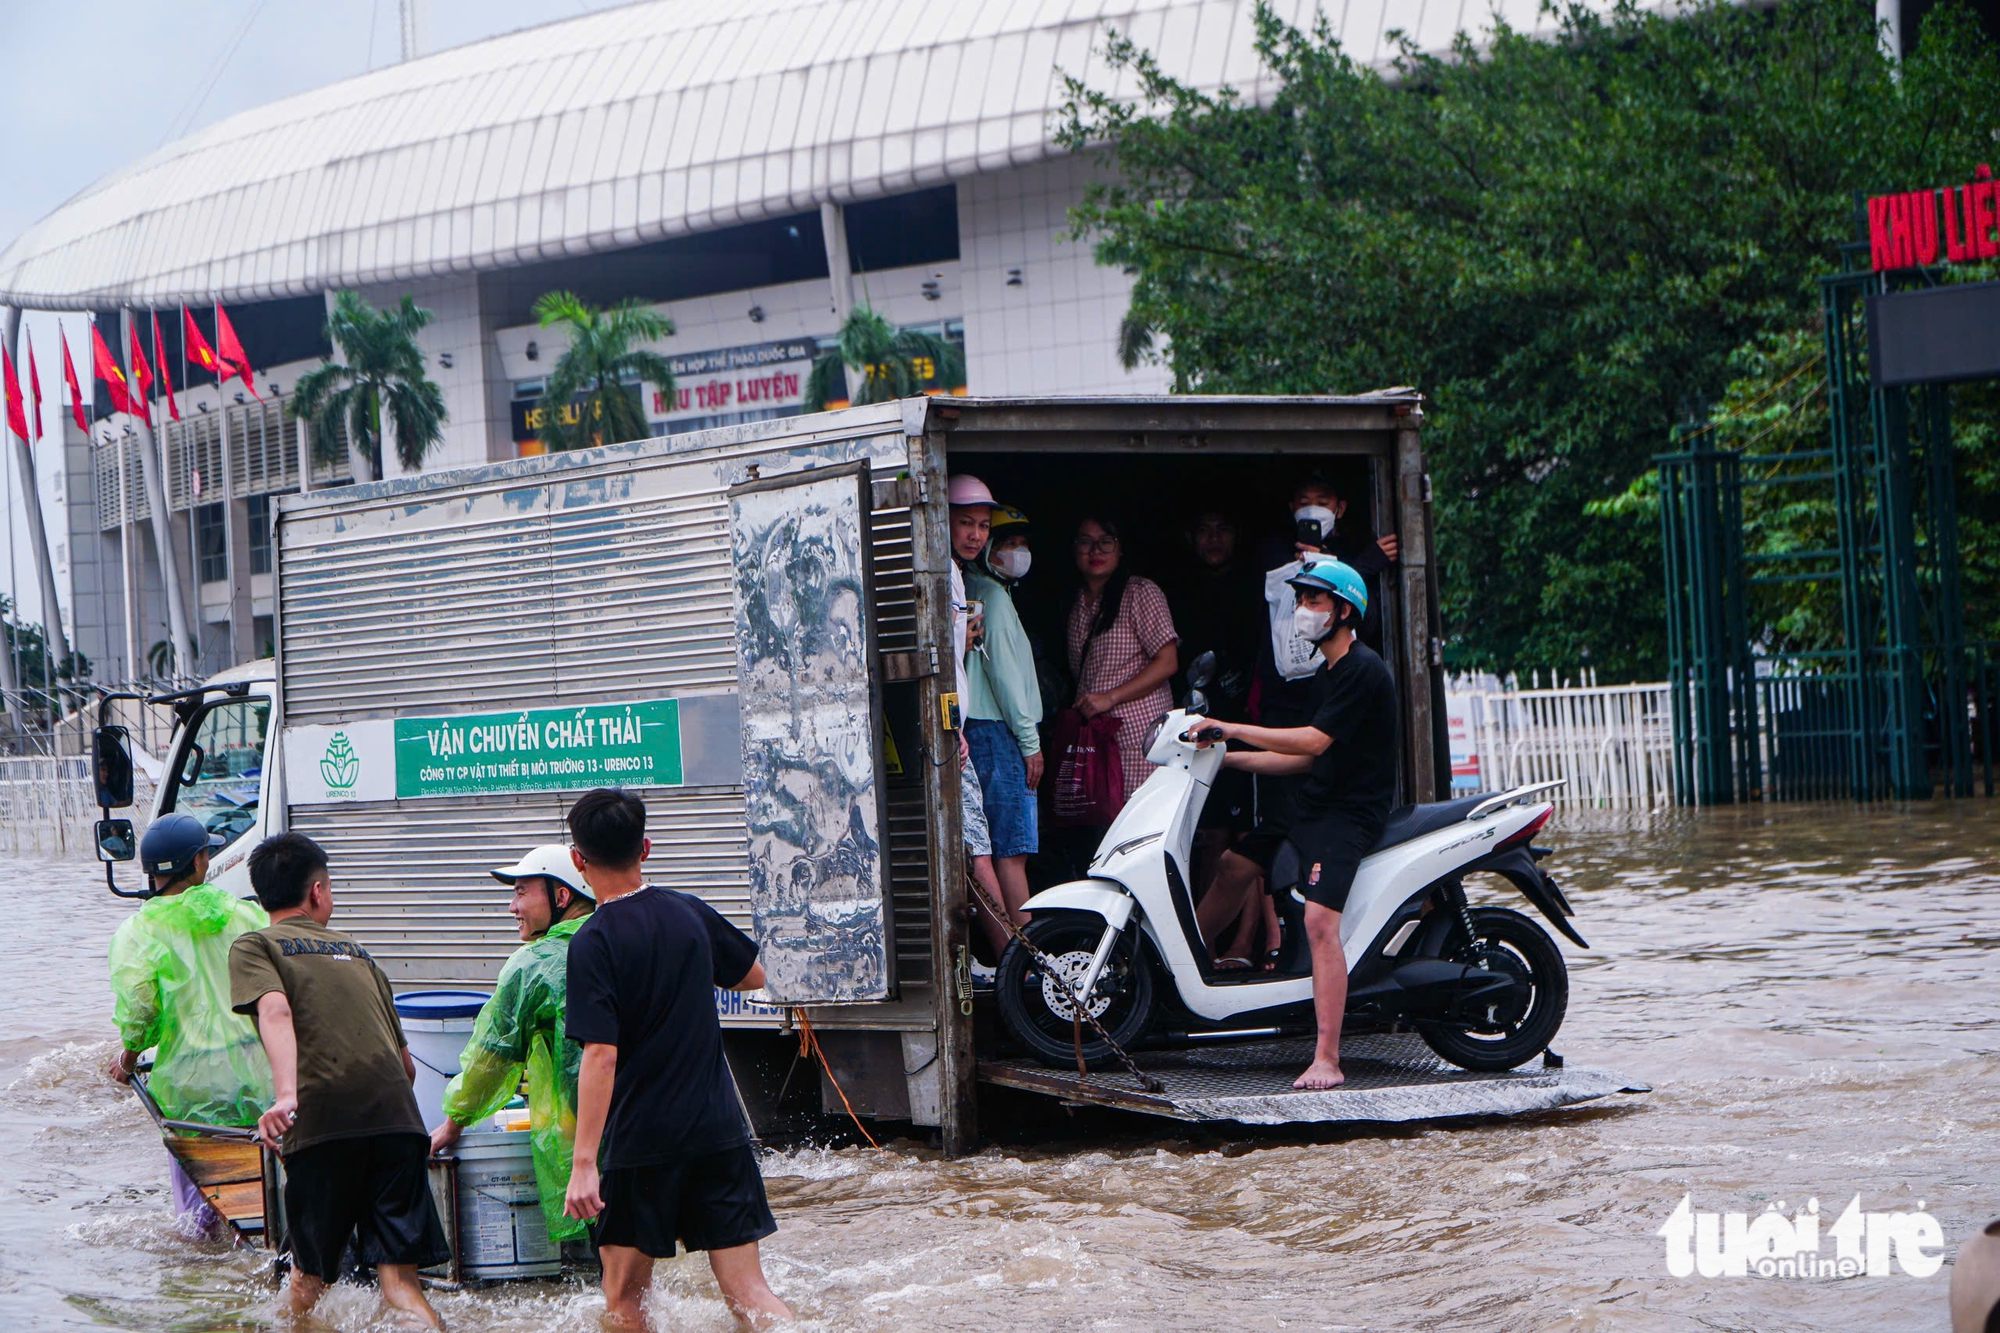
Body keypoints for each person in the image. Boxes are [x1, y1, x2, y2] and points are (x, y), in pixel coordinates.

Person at [560, 789, 792, 1331]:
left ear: (577, 860)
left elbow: (599, 1055)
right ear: (646, 848)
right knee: (750, 1294)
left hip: (640, 1143)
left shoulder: (592, 941)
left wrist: (583, 1163)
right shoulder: (687, 911)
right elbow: (754, 976)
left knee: (624, 1300)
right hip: (717, 1133)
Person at [1185, 558, 1397, 1091]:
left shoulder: (1362, 669)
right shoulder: (1327, 672)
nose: (1302, 611)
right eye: (1299, 601)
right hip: (1312, 801)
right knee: (1234, 866)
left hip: (1348, 814)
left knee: (1320, 923)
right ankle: (1183, 975)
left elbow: (1312, 742)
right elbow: (1302, 760)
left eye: (1313, 601)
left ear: (1344, 611)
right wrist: (1224, 758)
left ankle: (1327, 1057)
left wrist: (1233, 727)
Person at [231, 832, 447, 1329]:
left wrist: (287, 1096)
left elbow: (275, 1009)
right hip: (398, 1122)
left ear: (262, 894)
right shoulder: (360, 954)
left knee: (309, 1282)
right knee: (399, 1284)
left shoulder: (255, 945)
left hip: (322, 1123)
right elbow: (406, 1067)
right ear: (318, 892)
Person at [104, 812, 272, 1236]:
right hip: (257, 1077)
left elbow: (141, 1018)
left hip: (190, 1088)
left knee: (199, 1214)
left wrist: (127, 1061)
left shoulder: (138, 931)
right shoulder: (245, 915)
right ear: (199, 861)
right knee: (261, 1194)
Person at [429, 844, 596, 1252]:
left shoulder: (534, 964)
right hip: (653, 1137)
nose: (511, 907)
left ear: (561, 897)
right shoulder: (623, 938)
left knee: (605, 1281)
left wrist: (454, 1122)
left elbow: (492, 1057)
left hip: (587, 1148)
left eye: (521, 892)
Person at [956, 478, 1044, 946]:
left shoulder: (980, 589)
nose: (1015, 552)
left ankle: (1012, 954)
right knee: (1012, 850)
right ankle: (1026, 959)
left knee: (995, 849)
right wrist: (1030, 745)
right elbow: (1008, 683)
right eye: (1004, 542)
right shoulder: (992, 598)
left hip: (983, 730)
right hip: (999, 732)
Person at [1065, 512, 1180, 806]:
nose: (1095, 551)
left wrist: (1110, 697)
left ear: (1120, 549)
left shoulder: (1140, 592)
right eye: (1086, 542)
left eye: (1106, 542)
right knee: (1100, 822)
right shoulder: (1077, 602)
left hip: (1139, 735)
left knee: (1138, 821)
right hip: (1096, 739)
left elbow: (1168, 662)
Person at [945, 477, 1011, 965]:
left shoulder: (954, 575)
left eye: (983, 526)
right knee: (978, 852)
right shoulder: (941, 573)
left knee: (972, 851)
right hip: (947, 734)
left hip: (954, 729)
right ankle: (1013, 960)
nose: (975, 534)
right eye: (965, 522)